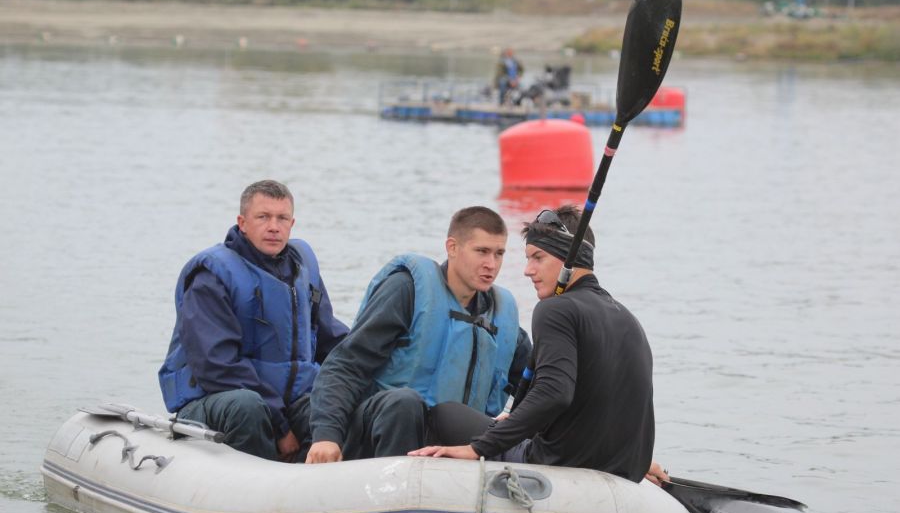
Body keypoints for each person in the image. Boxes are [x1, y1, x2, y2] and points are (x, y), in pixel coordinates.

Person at [409, 205, 656, 484]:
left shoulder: (556, 309)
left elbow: (554, 393)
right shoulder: (628, 318)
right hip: (624, 468)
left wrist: (478, 447)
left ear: (569, 260)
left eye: (538, 257)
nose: (528, 271)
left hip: (561, 464)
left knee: (445, 413)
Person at [306, 206, 532, 464]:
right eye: (481, 251)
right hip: (384, 427)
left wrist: (518, 420)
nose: (491, 264)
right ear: (453, 247)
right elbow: (345, 366)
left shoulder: (501, 317)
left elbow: (539, 386)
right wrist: (326, 435)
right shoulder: (407, 291)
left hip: (449, 438)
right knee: (404, 402)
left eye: (499, 253)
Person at [158, 180, 349, 462]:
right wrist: (281, 427)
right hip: (216, 400)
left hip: (288, 401)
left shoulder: (302, 269)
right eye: (263, 217)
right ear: (242, 222)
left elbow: (330, 339)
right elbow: (217, 366)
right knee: (247, 406)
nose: (274, 226)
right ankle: (247, 492)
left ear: (292, 223)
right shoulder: (211, 277)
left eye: (282, 218)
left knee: (326, 411)